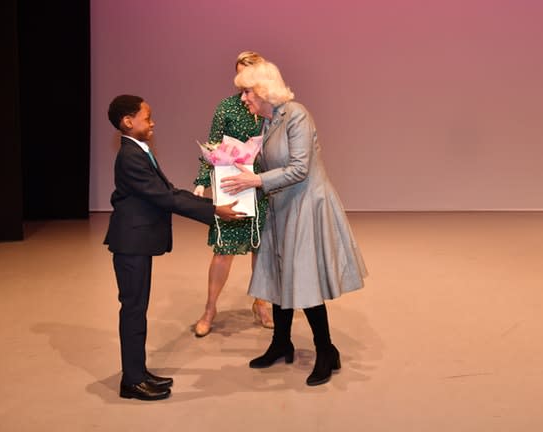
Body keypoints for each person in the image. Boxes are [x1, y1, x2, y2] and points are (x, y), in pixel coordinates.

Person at [222, 61, 368, 386]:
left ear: (262, 90)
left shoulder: (296, 114)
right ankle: (281, 343)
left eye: (246, 91)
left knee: (305, 279)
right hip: (282, 204)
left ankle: (326, 351)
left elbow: (300, 168)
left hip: (305, 205)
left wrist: (256, 180)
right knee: (277, 274)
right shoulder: (269, 120)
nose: (243, 98)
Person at [104, 94, 243, 401]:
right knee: (134, 311)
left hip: (136, 242)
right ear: (128, 122)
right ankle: (132, 381)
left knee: (137, 309)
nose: (152, 122)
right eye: (147, 117)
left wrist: (213, 204)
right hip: (131, 243)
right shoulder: (130, 156)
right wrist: (214, 211)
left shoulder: (139, 151)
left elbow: (170, 192)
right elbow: (166, 198)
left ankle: (137, 373)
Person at [191, 51, 273, 337]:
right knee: (223, 251)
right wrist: (203, 180)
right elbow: (213, 146)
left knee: (260, 249)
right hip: (231, 186)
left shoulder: (270, 105)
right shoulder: (226, 106)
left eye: (246, 75)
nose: (241, 82)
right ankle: (210, 308)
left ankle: (261, 302)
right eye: (237, 74)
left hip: (261, 186)